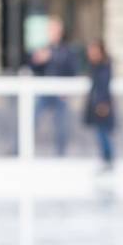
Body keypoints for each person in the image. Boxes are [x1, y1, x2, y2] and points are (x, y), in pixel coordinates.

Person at [30, 16, 79, 156]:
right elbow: (34, 68)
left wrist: (52, 57)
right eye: (49, 29)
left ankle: (60, 153)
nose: (51, 32)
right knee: (31, 119)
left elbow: (71, 70)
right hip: (45, 92)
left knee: (61, 125)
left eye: (54, 29)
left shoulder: (67, 50)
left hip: (60, 93)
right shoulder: (44, 48)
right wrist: (38, 61)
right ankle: (19, 149)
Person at [84, 40, 115, 171]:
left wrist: (103, 104)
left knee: (103, 134)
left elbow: (103, 87)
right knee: (100, 133)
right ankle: (105, 159)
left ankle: (108, 160)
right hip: (96, 106)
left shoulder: (104, 67)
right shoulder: (94, 67)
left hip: (102, 106)